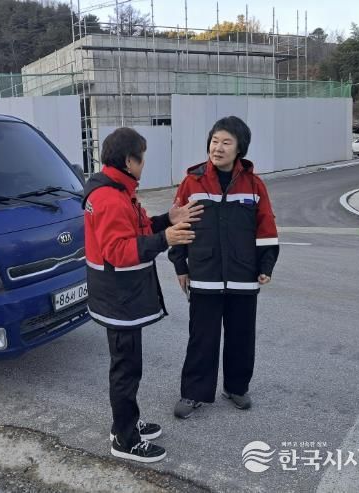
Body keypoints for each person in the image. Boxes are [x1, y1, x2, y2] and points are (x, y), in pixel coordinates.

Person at [82, 127, 202, 462]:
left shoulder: (118, 190)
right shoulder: (109, 198)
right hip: (118, 300)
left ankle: (125, 423)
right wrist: (166, 239)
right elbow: (118, 251)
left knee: (127, 366)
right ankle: (125, 440)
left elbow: (136, 228)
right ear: (128, 160)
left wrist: (166, 220)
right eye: (142, 157)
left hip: (119, 297)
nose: (144, 163)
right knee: (126, 369)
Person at [169, 116, 279, 419]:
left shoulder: (254, 185)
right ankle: (194, 393)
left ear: (239, 148)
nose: (218, 148)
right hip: (204, 276)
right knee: (201, 338)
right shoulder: (192, 183)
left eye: (226, 142)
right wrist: (180, 265)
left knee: (241, 337)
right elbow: (179, 227)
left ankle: (236, 387)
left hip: (243, 276)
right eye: (214, 141)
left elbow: (266, 227)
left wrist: (266, 264)